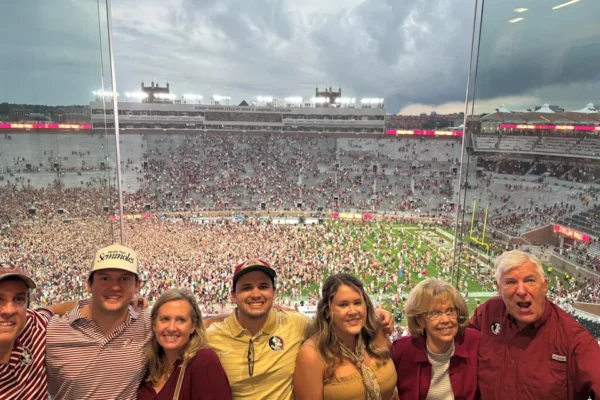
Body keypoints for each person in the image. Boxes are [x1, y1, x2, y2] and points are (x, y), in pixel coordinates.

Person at [206, 259, 394, 400]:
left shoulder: (296, 324)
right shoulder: (211, 338)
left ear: (274, 292)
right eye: (247, 288)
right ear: (233, 296)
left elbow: (334, 323)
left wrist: (373, 314)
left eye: (263, 286)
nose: (256, 294)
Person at [470, 250, 600, 399]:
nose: (521, 291)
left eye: (529, 280)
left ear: (544, 286)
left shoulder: (574, 339)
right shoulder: (488, 313)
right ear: (498, 289)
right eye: (511, 282)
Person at [46, 244, 151, 400]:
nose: (115, 286)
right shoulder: (51, 330)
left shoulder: (148, 322)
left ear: (137, 286)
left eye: (124, 279)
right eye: (104, 278)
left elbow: (192, 325)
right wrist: (52, 308)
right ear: (88, 284)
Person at [294, 273, 397, 400]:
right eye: (343, 305)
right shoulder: (313, 354)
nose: (353, 311)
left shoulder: (377, 333)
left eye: (358, 303)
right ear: (327, 311)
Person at [0, 264, 79, 400]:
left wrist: (124, 306)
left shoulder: (32, 325)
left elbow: (54, 310)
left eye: (18, 299)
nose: (9, 310)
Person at [392, 278, 479, 400]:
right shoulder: (401, 351)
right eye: (435, 313)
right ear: (420, 320)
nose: (445, 320)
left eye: (450, 310)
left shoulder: (474, 342)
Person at [138, 288, 231, 400]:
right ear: (154, 325)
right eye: (165, 319)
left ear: (193, 326)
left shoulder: (203, 361)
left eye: (181, 320)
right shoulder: (148, 363)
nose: (171, 328)